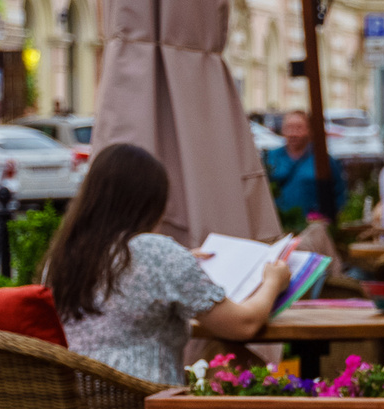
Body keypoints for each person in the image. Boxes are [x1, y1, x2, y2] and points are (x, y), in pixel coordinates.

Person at [43, 143, 290, 386]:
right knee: (241, 367)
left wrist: (179, 261)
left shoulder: (65, 256)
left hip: (74, 398)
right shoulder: (156, 253)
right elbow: (243, 324)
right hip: (142, 401)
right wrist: (272, 281)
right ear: (150, 203)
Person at [262, 109, 343, 223]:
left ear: (309, 130)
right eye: (289, 128)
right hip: (279, 223)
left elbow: (339, 191)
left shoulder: (322, 159)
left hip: (313, 223)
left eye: (299, 128)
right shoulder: (271, 157)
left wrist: (330, 219)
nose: (293, 134)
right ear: (283, 130)